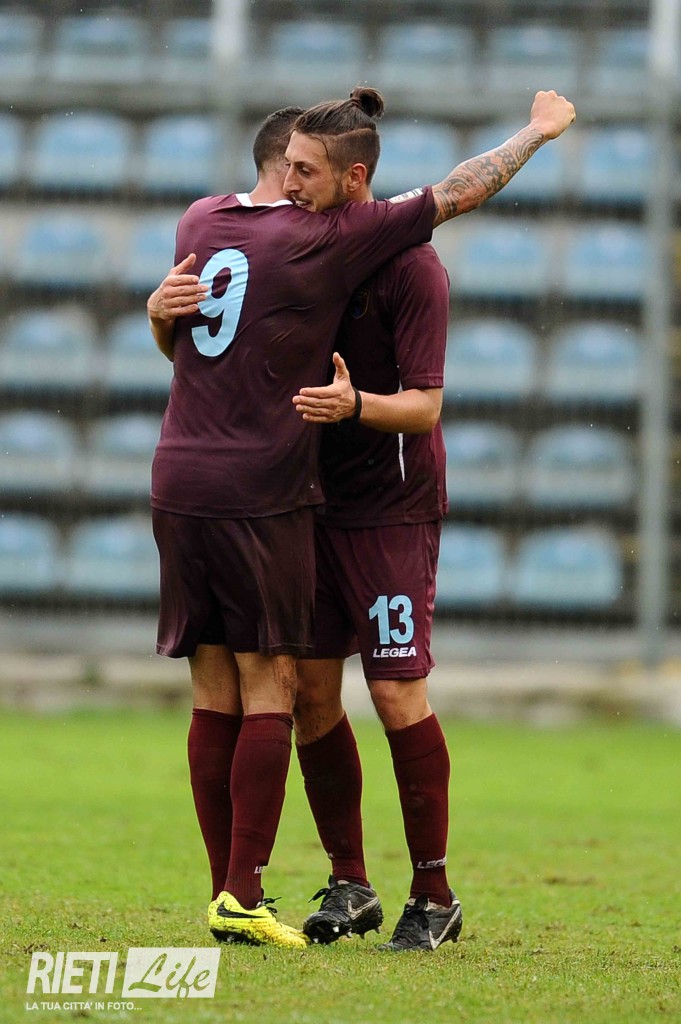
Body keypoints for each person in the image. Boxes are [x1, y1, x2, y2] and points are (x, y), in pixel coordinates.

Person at [147, 88, 576, 951]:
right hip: (300, 500)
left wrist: (354, 406)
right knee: (308, 693)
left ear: (352, 180)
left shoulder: (409, 267)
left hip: (388, 508)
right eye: (285, 168)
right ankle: (350, 881)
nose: (286, 184)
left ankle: (433, 893)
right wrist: (160, 316)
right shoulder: (292, 246)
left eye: (305, 172)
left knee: (392, 691)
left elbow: (424, 409)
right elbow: (211, 352)